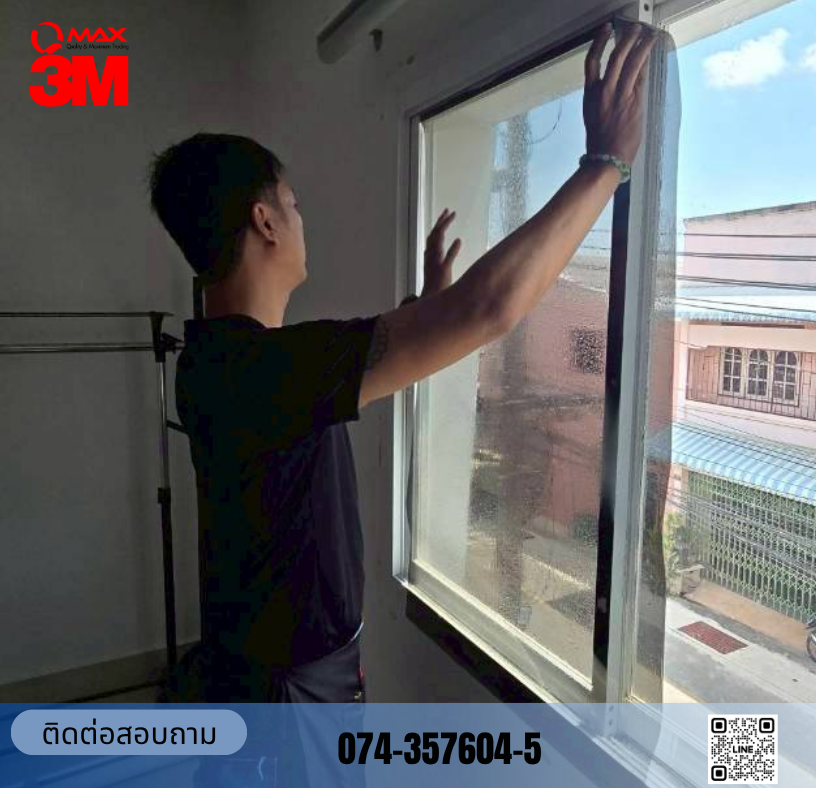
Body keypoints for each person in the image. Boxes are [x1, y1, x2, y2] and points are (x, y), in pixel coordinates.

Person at [148, 21, 656, 708]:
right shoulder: (262, 370)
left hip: (272, 674)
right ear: (265, 222)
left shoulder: (220, 360)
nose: (301, 220)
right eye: (293, 206)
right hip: (287, 698)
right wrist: (605, 164)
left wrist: (424, 310)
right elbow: (491, 308)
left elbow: (338, 376)